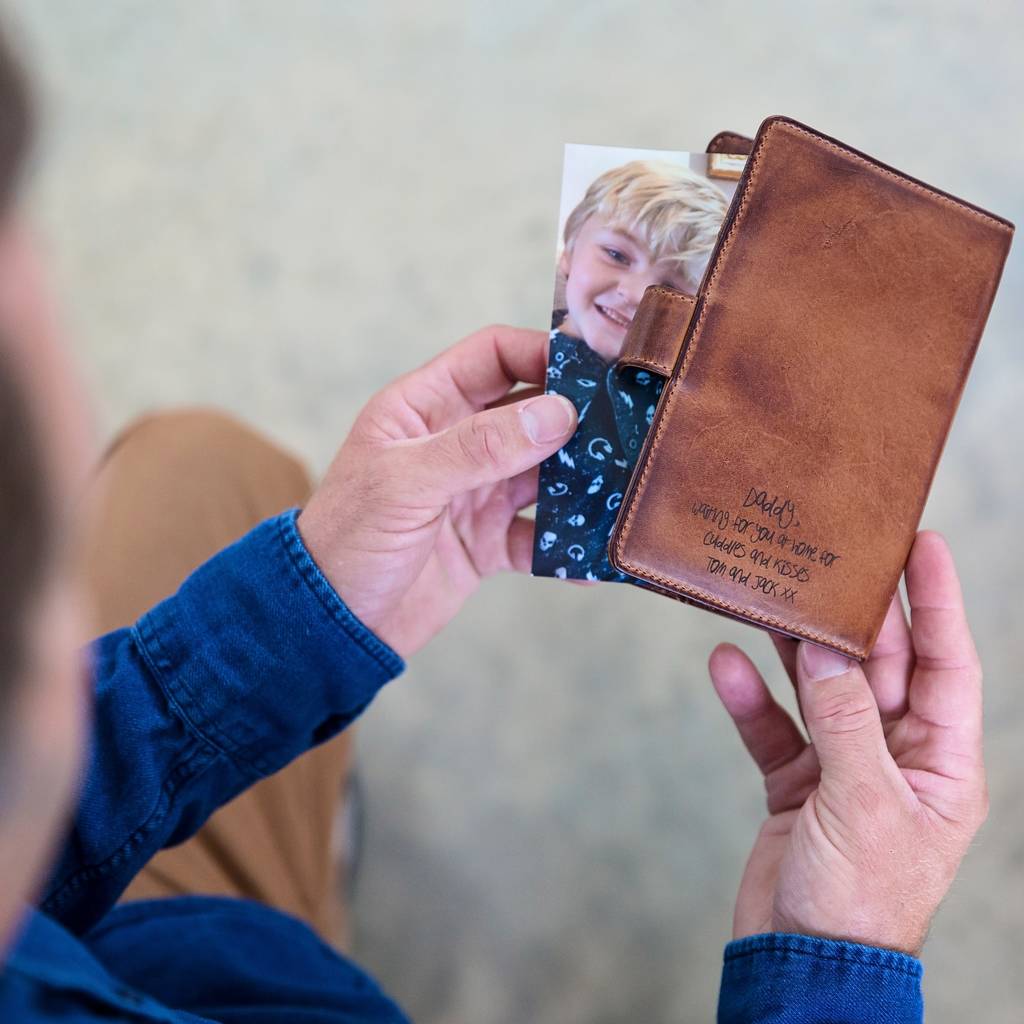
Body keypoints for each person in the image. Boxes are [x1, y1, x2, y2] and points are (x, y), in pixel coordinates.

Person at [0, 26, 988, 1024]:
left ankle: (292, 789)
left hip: (107, 932)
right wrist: (837, 962)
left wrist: (304, 618)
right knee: (194, 473)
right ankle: (298, 829)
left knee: (196, 458)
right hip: (219, 964)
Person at [533, 161, 730, 581]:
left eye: (673, 288)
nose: (636, 295)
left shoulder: (685, 395)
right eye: (617, 255)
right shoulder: (527, 358)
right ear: (568, 250)